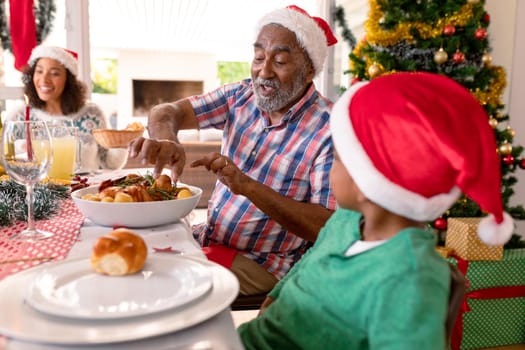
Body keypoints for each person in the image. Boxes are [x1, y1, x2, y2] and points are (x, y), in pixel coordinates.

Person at [237, 72, 514, 349]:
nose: (330, 169)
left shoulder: (410, 283)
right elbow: (309, 265)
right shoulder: (344, 221)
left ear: (365, 181)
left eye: (336, 159)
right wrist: (276, 296)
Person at [128, 5, 338, 295]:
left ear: (309, 69)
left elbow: (327, 226)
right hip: (210, 241)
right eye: (259, 58)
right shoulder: (241, 96)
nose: (263, 72)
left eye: (279, 61)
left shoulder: (331, 128)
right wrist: (168, 141)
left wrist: (247, 186)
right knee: (129, 249)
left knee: (156, 285)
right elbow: (166, 111)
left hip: (263, 263)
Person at [6, 45, 128, 173]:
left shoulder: (92, 114)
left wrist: (121, 144)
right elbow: (7, 161)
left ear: (68, 80)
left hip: (84, 190)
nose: (44, 80)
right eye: (39, 71)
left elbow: (108, 163)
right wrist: (20, 148)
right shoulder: (19, 117)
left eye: (54, 73)